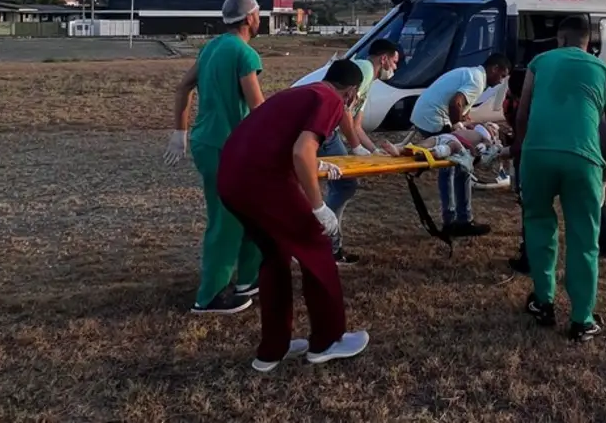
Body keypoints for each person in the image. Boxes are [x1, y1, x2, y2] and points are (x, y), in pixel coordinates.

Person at [217, 59, 370, 372]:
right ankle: (328, 341)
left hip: (230, 180)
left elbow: (282, 145)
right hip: (262, 182)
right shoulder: (329, 99)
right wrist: (318, 207)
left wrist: (316, 165)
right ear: (351, 92)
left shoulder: (299, 93)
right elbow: (301, 151)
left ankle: (272, 349)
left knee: (275, 255)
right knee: (316, 247)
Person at [513, 15, 606, 342]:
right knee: (583, 239)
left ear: (560, 39)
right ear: (588, 43)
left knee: (538, 223)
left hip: (537, 154)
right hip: (584, 158)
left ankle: (543, 302)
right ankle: (582, 320)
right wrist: (604, 176)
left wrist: (522, 156)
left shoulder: (540, 61)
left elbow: (523, 113)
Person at [163, 0, 267, 315]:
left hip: (208, 142)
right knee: (226, 219)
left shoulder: (211, 48)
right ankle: (209, 297)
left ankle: (249, 279)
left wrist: (180, 132)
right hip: (229, 147)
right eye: (259, 14)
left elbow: (183, 87)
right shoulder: (244, 53)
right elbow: (258, 109)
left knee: (254, 213)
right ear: (250, 18)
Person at [316, 38, 401, 266]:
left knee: (345, 185)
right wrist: (355, 147)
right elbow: (341, 108)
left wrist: (372, 151)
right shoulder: (363, 69)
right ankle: (325, 240)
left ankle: (329, 244)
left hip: (330, 134)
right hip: (326, 132)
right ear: (383, 58)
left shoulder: (369, 80)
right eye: (394, 62)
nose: (394, 68)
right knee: (344, 185)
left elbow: (355, 125)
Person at [408, 53, 512, 237]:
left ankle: (458, 218)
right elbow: (455, 104)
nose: (500, 81)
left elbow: (459, 107)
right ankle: (456, 221)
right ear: (494, 68)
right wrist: (459, 128)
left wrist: (465, 122)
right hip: (433, 118)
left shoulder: (472, 74)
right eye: (502, 75)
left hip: (425, 116)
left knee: (459, 166)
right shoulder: (478, 81)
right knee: (457, 165)